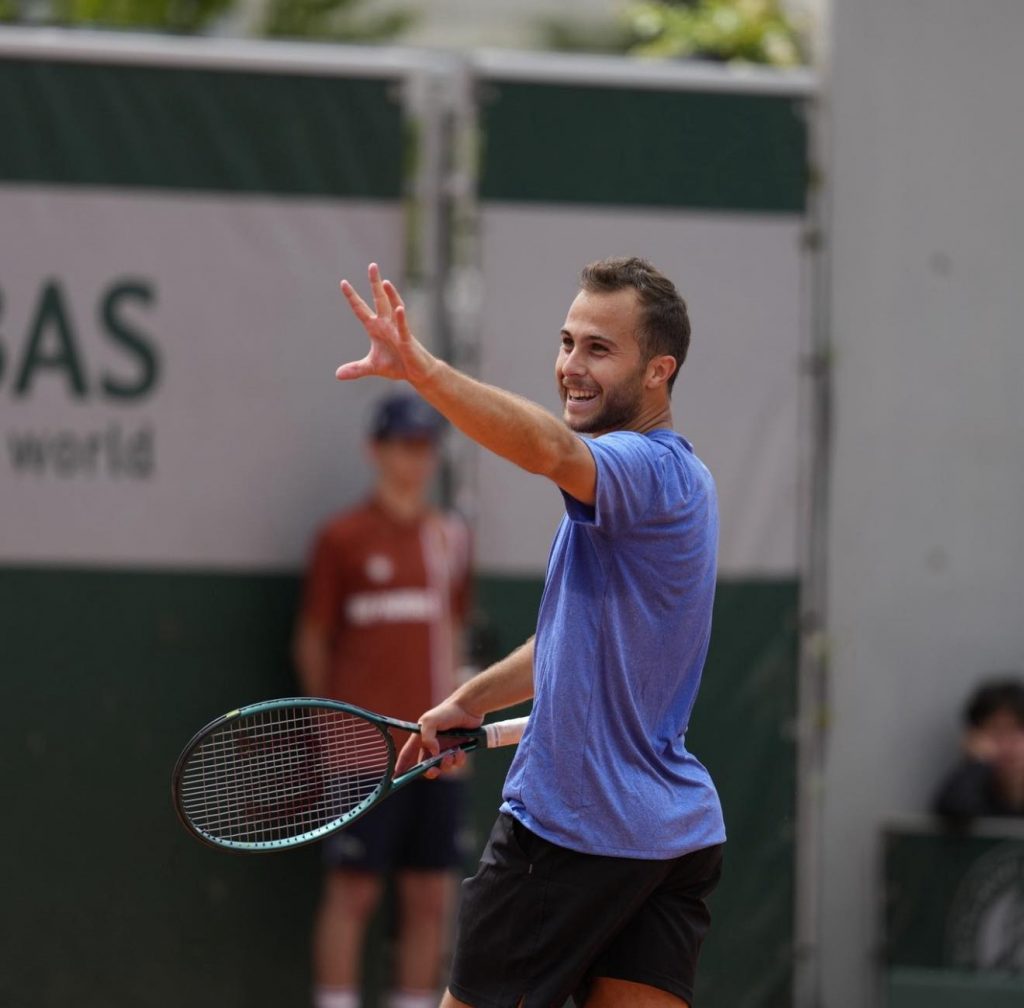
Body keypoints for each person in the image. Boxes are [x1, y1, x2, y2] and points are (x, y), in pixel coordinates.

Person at [336, 257, 725, 1008]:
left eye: (599, 350)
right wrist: (472, 698)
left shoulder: (640, 469)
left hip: (572, 834)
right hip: (674, 839)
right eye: (568, 342)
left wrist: (423, 372)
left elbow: (547, 449)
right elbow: (569, 647)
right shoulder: (681, 483)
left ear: (659, 372)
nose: (571, 367)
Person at [294, 391, 473, 1008]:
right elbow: (313, 639)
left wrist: (459, 722)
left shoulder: (451, 539)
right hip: (359, 756)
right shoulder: (340, 539)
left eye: (427, 447)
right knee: (354, 894)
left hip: (434, 754)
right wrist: (330, 729)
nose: (417, 460)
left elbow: (452, 636)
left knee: (429, 900)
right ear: (377, 450)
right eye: (406, 445)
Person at [932, 676, 1024, 822]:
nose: (1010, 744)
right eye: (998, 731)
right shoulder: (974, 791)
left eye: (1019, 730)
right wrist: (977, 763)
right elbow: (955, 810)